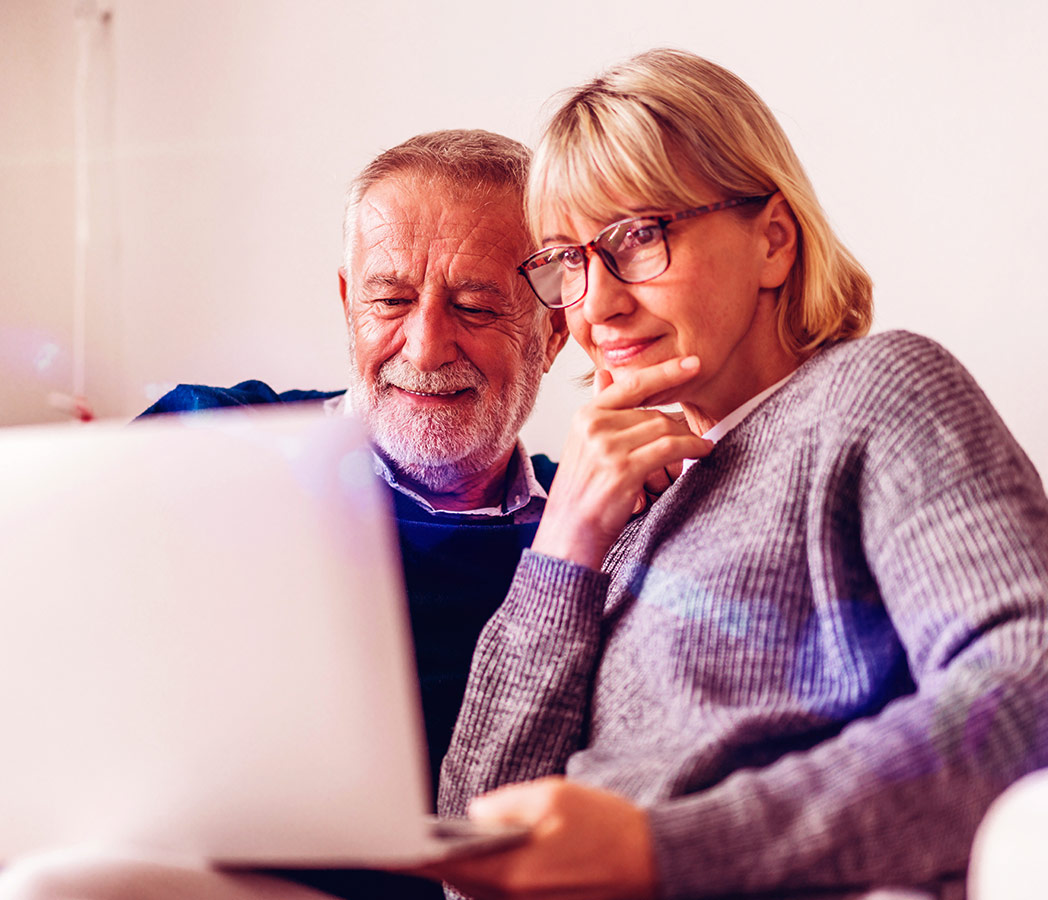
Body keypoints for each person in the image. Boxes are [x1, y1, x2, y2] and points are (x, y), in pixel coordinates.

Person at [0, 129, 569, 900]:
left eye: (476, 306)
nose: (424, 345)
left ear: (551, 332)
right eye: (389, 300)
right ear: (346, 302)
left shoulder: (588, 533)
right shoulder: (213, 428)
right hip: (5, 848)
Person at [423, 49, 1048, 900]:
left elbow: (1026, 693)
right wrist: (563, 545)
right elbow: (473, 843)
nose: (597, 304)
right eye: (567, 261)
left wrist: (662, 852)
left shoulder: (876, 393)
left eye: (638, 237)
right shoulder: (621, 495)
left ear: (774, 242)